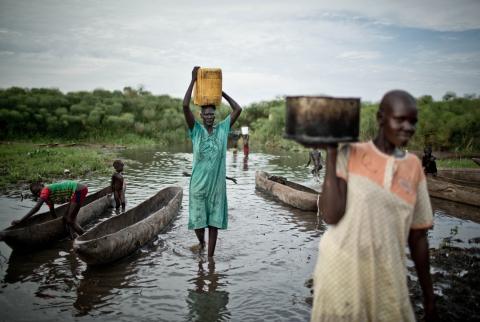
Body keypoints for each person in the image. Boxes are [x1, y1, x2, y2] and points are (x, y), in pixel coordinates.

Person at [311, 90, 437, 321]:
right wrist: (331, 151)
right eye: (400, 119)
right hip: (340, 272)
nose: (408, 127)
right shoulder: (351, 153)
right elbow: (330, 214)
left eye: (413, 121)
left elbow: (418, 237)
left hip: (388, 276)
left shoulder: (413, 166)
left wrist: (430, 298)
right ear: (381, 119)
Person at [183, 66, 242, 258]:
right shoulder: (196, 131)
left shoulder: (223, 129)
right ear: (201, 116)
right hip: (198, 186)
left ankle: (210, 260)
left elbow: (238, 109)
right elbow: (185, 106)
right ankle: (201, 242)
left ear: (215, 116)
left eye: (211, 114)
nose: (209, 117)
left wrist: (219, 91)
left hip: (216, 186)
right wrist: (193, 80)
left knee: (214, 223)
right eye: (206, 114)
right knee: (198, 223)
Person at [11, 180, 88, 239]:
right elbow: (52, 211)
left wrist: (21, 220)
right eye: (36, 193)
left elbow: (37, 208)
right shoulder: (48, 199)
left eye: (39, 191)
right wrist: (55, 222)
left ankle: (86, 237)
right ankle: (72, 237)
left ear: (42, 187)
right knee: (65, 218)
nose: (39, 194)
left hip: (78, 190)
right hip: (76, 192)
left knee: (70, 219)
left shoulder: (45, 190)